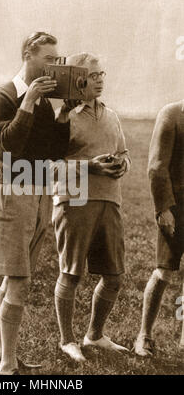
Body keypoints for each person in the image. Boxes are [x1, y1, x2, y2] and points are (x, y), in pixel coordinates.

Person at [0, 32, 71, 375]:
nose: (54, 66)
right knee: (19, 280)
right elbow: (9, 147)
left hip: (37, 195)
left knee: (13, 279)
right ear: (28, 54)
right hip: (10, 194)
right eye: (48, 58)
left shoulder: (44, 104)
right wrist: (28, 102)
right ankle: (7, 365)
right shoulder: (3, 96)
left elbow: (53, 153)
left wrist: (63, 115)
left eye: (56, 59)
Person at [52, 52, 131, 362]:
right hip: (75, 200)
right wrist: (90, 167)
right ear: (77, 80)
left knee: (114, 275)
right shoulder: (63, 117)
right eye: (93, 75)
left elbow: (124, 153)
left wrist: (122, 164)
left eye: (102, 74)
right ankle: (67, 340)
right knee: (71, 273)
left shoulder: (111, 115)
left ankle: (95, 335)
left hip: (110, 201)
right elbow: (49, 167)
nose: (99, 80)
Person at [134, 101, 184, 356]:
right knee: (164, 272)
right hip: (176, 207)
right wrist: (164, 209)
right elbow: (156, 166)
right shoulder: (172, 114)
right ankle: (144, 335)